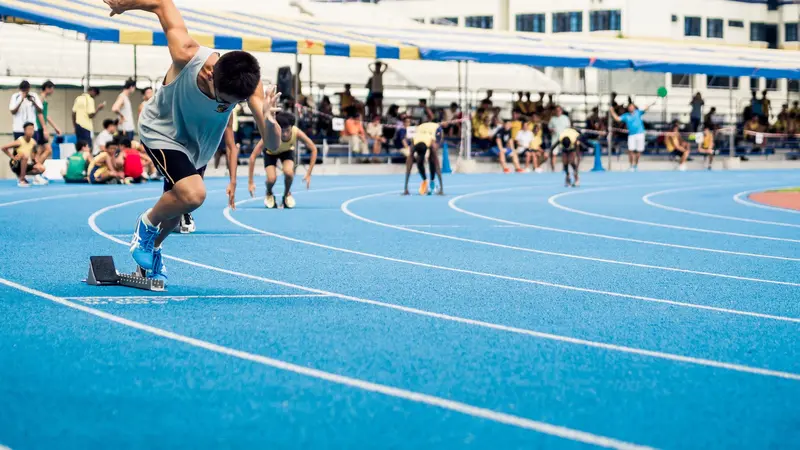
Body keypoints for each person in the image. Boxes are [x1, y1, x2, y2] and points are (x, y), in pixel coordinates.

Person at [108, 0, 282, 285]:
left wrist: (269, 119)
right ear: (211, 74)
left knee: (176, 214)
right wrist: (126, 4)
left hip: (196, 147)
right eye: (224, 101)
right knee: (194, 194)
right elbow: (162, 4)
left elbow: (273, 144)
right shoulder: (186, 54)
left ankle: (152, 249)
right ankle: (145, 224)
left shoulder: (249, 89)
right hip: (161, 131)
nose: (225, 107)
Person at [248, 111, 317, 209]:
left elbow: (313, 149)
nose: (284, 134)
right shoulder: (270, 134)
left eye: (287, 130)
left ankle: (286, 194)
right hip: (271, 153)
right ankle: (269, 192)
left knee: (289, 173)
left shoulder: (296, 132)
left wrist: (309, 174)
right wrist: (250, 182)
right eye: (282, 130)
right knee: (271, 179)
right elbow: (252, 157)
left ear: (291, 128)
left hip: (287, 151)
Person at [403, 121, 444, 196]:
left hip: (435, 129)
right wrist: (406, 189)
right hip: (421, 128)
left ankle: (432, 181)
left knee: (433, 158)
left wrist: (442, 189)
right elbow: (409, 164)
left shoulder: (431, 142)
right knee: (419, 161)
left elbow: (437, 164)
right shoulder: (414, 141)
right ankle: (425, 180)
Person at [1, 122, 47, 187]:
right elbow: (3, 148)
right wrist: (12, 157)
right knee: (24, 155)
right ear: (25, 130)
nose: (31, 131)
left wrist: (37, 163)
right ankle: (21, 180)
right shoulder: (19, 141)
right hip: (15, 164)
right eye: (29, 129)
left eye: (32, 129)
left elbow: (34, 155)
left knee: (41, 168)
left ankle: (31, 177)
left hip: (25, 164)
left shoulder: (33, 142)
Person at [610, 102, 652, 171]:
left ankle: (636, 165)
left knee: (639, 151)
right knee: (630, 150)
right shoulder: (626, 115)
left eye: (632, 106)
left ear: (634, 107)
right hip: (631, 135)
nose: (631, 108)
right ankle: (631, 166)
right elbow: (617, 119)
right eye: (629, 107)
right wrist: (612, 111)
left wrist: (647, 106)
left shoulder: (638, 112)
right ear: (628, 108)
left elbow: (645, 109)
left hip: (640, 134)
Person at [34, 80, 62, 164]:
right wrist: (44, 128)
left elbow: (45, 115)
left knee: (41, 150)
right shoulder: (41, 98)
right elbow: (39, 113)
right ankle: (36, 167)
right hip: (39, 127)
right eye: (52, 89)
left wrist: (55, 127)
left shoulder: (44, 99)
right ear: (47, 88)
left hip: (41, 127)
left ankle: (37, 169)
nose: (53, 91)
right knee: (47, 149)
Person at [547, 106, 571, 171]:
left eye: (559, 110)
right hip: (555, 139)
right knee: (554, 153)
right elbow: (549, 128)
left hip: (564, 139)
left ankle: (565, 168)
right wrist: (552, 130)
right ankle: (553, 169)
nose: (558, 112)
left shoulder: (565, 118)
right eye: (556, 110)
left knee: (565, 154)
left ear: (561, 111)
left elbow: (568, 128)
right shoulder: (552, 119)